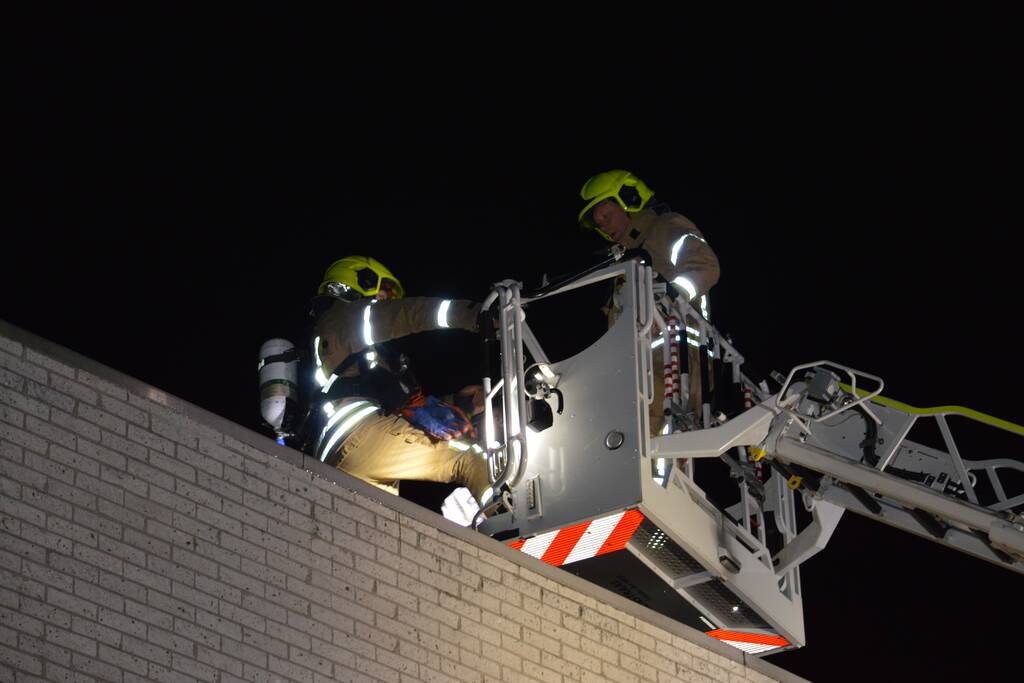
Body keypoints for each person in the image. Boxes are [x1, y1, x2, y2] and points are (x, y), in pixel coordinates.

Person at [305, 255, 493, 511]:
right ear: (358, 281)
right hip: (358, 436)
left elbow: (403, 400)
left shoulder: (347, 345)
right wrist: (475, 315)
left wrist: (460, 402)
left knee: (381, 522)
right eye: (384, 290)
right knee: (469, 456)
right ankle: (507, 520)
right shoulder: (346, 316)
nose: (386, 300)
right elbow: (408, 313)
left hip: (342, 455)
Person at [577, 169, 720, 432]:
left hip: (675, 356)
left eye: (606, 216)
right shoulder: (623, 263)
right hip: (636, 366)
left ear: (630, 199)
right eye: (598, 223)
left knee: (657, 439)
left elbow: (705, 267)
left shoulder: (666, 227)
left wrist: (662, 305)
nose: (604, 227)